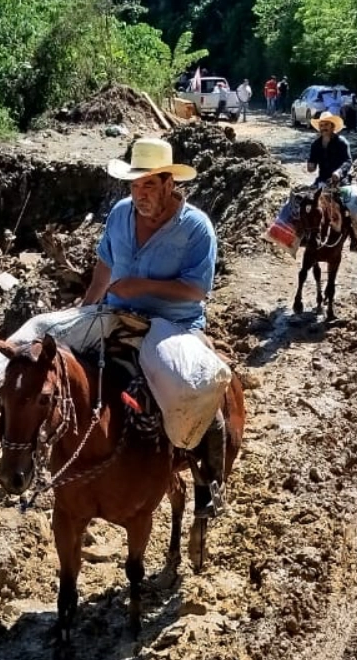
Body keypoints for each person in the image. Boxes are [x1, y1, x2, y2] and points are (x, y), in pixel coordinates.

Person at [81, 138, 227, 516]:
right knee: (55, 362)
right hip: (115, 312)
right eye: (134, 185)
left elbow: (197, 290)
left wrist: (143, 286)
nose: (139, 194)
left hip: (173, 322)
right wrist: (85, 309)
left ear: (169, 183)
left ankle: (208, 479)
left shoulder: (196, 228)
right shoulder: (119, 214)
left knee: (196, 385)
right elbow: (104, 265)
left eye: (148, 185)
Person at [306, 111, 352, 187]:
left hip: (341, 179)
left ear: (333, 126)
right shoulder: (315, 145)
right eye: (321, 125)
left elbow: (348, 161)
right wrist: (311, 166)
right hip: (322, 179)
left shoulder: (341, 142)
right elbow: (312, 162)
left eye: (326, 125)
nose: (323, 128)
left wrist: (339, 172)